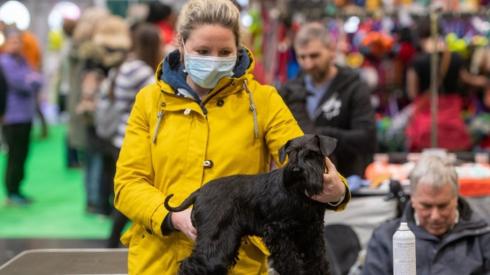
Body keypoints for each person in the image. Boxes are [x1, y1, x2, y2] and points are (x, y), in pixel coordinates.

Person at [113, 1, 350, 274]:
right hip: (158, 262)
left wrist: (337, 191)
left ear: (239, 47)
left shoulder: (264, 100)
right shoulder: (149, 101)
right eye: (202, 51)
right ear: (181, 44)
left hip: (239, 265)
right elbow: (127, 184)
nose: (213, 59)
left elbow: (304, 152)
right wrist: (170, 217)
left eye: (224, 51)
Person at [362, 155, 490, 275]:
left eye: (443, 206)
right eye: (426, 206)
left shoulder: (484, 235)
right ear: (412, 199)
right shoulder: (385, 238)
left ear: (456, 198)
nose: (435, 216)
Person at [280, 22, 376, 177]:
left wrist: (319, 136)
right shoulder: (290, 91)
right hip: (302, 182)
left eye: (314, 56)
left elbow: (366, 138)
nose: (308, 64)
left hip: (346, 179)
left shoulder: (354, 87)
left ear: (332, 50)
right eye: (302, 57)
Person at [105, 22, 162, 248]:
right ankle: (112, 243)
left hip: (115, 136)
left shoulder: (124, 65)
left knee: (120, 195)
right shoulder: (142, 72)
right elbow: (155, 100)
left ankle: (111, 242)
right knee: (130, 197)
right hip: (129, 139)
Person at [0, 27, 42, 205]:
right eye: (13, 41)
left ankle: (18, 188)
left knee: (23, 153)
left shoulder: (23, 60)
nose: (17, 45)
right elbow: (20, 83)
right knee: (14, 155)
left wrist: (31, 80)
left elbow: (38, 79)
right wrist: (30, 80)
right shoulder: (4, 62)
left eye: (19, 42)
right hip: (11, 115)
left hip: (26, 114)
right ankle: (11, 191)